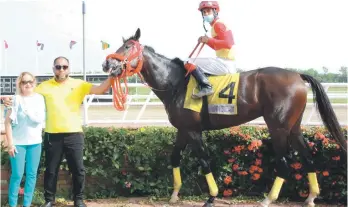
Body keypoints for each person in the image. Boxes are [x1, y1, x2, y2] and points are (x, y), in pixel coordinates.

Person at [4, 56, 113, 207]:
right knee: (51, 170)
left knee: (78, 170)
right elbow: (24, 94)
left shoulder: (79, 84)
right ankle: (49, 200)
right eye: (58, 67)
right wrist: (6, 100)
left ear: (69, 68)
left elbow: (101, 89)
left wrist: (113, 76)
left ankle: (78, 200)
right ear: (53, 68)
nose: (61, 69)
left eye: (64, 66)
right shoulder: (43, 87)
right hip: (52, 135)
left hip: (74, 133)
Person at [4, 72, 46, 207]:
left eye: (30, 81)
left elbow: (39, 119)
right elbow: (7, 123)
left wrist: (27, 111)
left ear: (34, 83)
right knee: (17, 175)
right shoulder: (14, 99)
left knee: (32, 175)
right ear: (20, 84)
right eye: (24, 82)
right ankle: (12, 204)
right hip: (18, 144)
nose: (27, 84)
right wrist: (10, 144)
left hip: (35, 143)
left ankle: (27, 204)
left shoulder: (39, 99)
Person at [184, 1, 236, 99]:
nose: (206, 14)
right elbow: (218, 46)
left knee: (188, 61)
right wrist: (207, 41)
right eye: (204, 12)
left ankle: (206, 86)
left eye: (208, 11)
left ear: (215, 11)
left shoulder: (218, 24)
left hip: (225, 63)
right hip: (225, 62)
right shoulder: (215, 25)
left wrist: (208, 40)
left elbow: (228, 44)